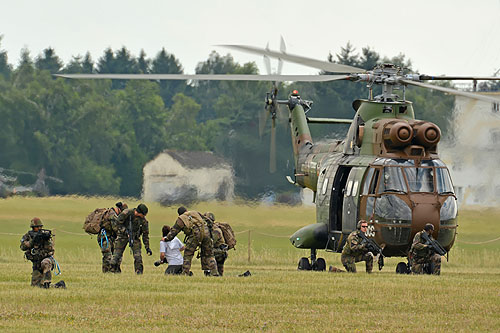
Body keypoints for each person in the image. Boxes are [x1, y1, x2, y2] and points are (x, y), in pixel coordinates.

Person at [164, 206, 218, 276]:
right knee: (209, 255)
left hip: (194, 236)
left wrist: (166, 239)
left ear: (179, 214)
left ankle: (185, 273)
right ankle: (214, 272)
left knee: (188, 255)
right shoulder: (194, 212)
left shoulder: (181, 219)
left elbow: (174, 231)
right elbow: (208, 220)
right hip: (206, 233)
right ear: (186, 210)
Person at [19, 217, 64, 288]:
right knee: (36, 286)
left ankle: (47, 282)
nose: (39, 228)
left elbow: (50, 249)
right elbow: (22, 247)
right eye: (37, 227)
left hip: (47, 260)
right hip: (36, 262)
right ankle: (59, 286)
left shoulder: (45, 235)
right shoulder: (29, 235)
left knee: (45, 263)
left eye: (40, 227)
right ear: (33, 228)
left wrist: (45, 240)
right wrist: (33, 241)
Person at [110, 203, 152, 274]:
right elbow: (117, 223)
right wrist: (124, 231)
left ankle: (139, 272)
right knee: (117, 255)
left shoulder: (143, 220)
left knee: (138, 256)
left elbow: (145, 234)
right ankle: (113, 271)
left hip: (135, 237)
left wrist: (147, 247)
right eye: (143, 214)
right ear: (139, 212)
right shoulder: (127, 213)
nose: (144, 216)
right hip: (122, 236)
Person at [98, 202, 127, 273]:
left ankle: (114, 271)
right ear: (119, 209)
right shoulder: (112, 215)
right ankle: (107, 272)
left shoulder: (114, 214)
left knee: (115, 255)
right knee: (107, 255)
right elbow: (116, 228)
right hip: (105, 238)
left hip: (111, 237)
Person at [204, 212, 228, 276]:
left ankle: (213, 274)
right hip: (219, 251)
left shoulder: (215, 230)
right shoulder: (211, 229)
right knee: (220, 270)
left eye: (206, 221)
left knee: (207, 254)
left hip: (220, 252)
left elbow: (211, 243)